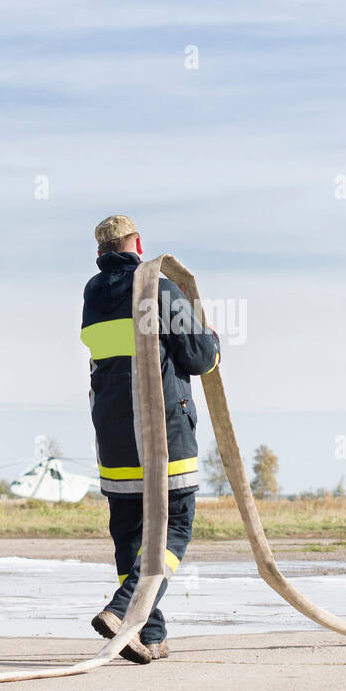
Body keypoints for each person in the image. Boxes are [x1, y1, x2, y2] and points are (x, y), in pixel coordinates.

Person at [80, 215, 220, 664]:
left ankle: (148, 635)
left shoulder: (93, 294)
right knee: (175, 527)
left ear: (100, 252)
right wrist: (212, 339)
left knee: (130, 537)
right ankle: (123, 609)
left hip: (114, 437)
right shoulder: (159, 288)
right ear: (137, 243)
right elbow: (198, 356)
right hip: (163, 435)